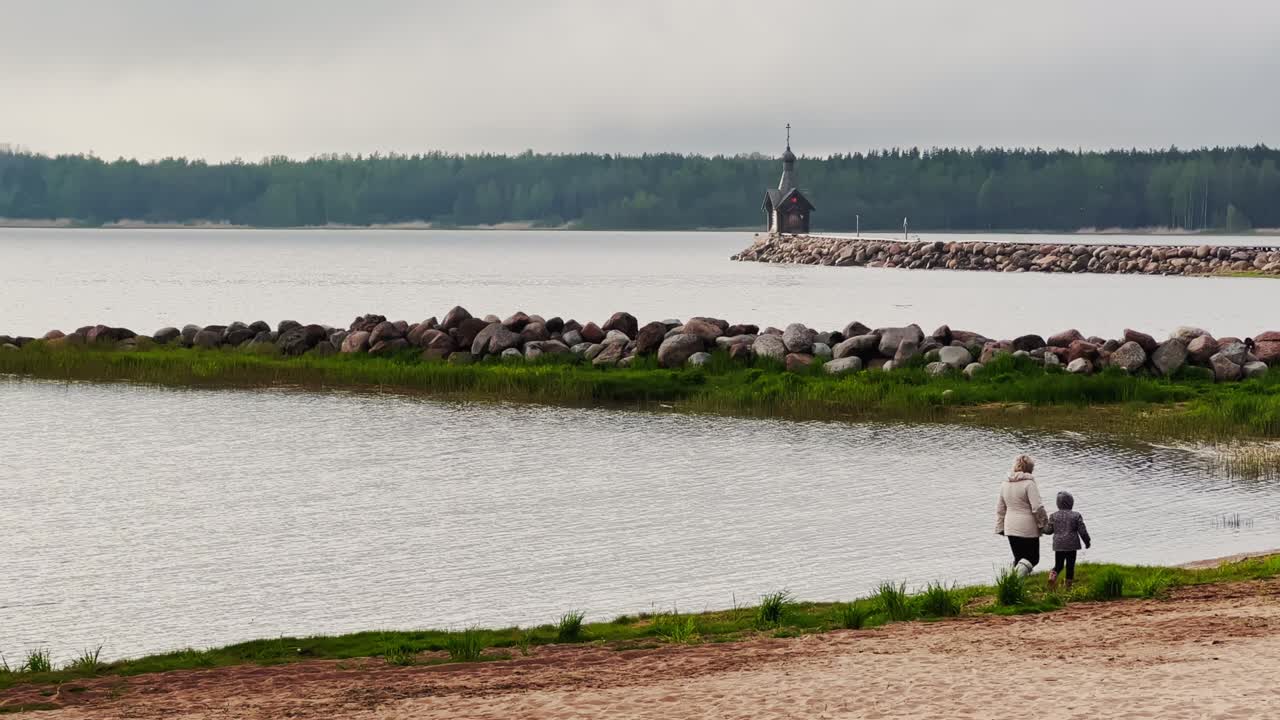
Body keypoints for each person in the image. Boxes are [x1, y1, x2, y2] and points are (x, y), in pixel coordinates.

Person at [995, 455, 1048, 577]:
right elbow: (1037, 507)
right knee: (1033, 558)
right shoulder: (1029, 484)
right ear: (1030, 468)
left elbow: (1000, 509)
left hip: (1010, 526)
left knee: (1019, 558)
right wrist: (1043, 524)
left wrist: (1000, 527)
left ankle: (1016, 586)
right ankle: (1014, 580)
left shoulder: (1005, 484)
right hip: (1027, 528)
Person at [1048, 491, 1091, 591]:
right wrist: (1087, 542)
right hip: (1072, 545)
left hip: (1058, 545)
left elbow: (1049, 530)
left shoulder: (1053, 516)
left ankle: (1052, 576)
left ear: (1058, 503)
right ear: (1071, 502)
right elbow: (1082, 531)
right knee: (1070, 566)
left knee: (1058, 565)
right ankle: (1068, 587)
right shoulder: (1076, 515)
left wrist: (1041, 527)